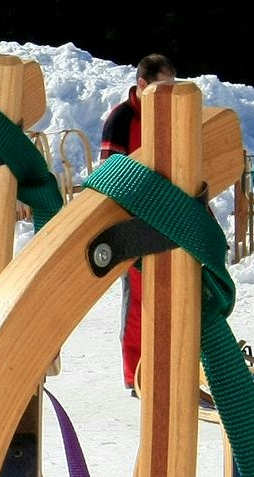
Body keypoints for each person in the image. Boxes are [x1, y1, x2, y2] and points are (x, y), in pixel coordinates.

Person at [99, 54, 175, 394]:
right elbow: (109, 175)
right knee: (138, 304)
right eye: (163, 88)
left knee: (174, 299)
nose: (169, 95)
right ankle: (134, 375)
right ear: (143, 85)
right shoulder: (121, 118)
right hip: (133, 221)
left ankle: (170, 368)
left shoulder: (173, 116)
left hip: (169, 220)